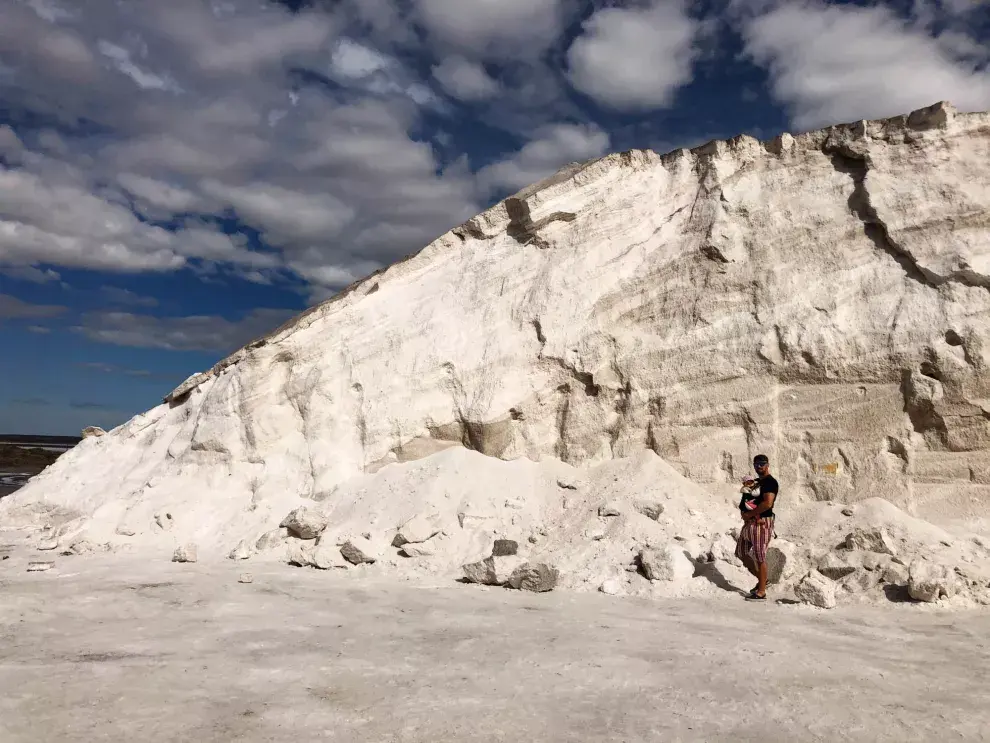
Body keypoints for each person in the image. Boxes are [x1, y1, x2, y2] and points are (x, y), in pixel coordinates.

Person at [735, 454, 778, 600]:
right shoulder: (756, 482)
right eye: (756, 464)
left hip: (762, 522)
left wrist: (750, 513)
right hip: (750, 522)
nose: (759, 466)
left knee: (760, 556)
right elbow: (748, 498)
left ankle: (761, 592)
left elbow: (767, 503)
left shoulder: (770, 482)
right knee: (741, 552)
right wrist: (744, 512)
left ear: (767, 464)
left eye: (762, 463)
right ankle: (762, 581)